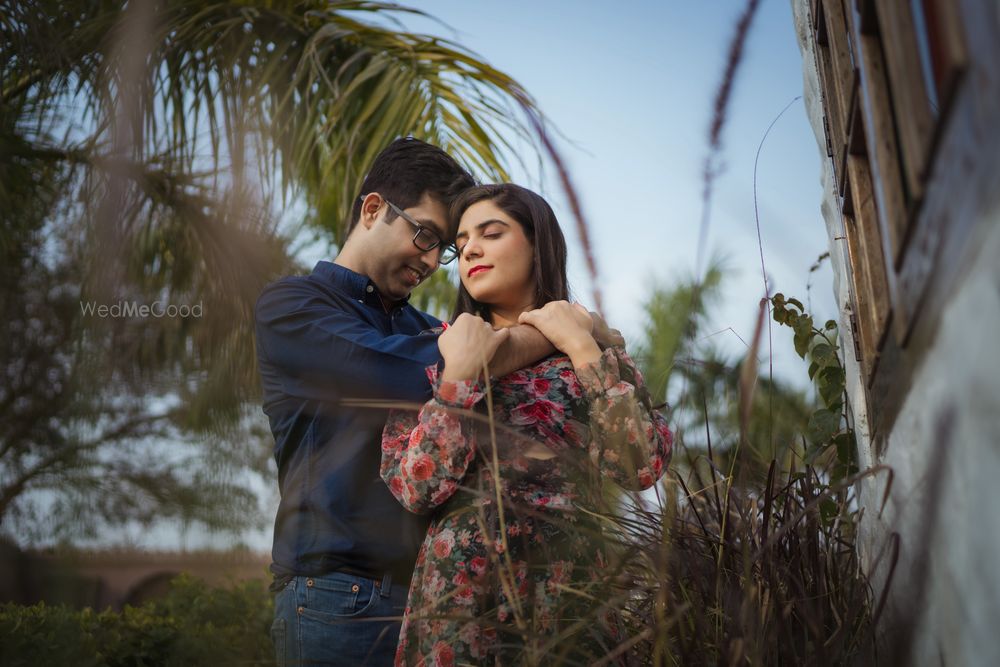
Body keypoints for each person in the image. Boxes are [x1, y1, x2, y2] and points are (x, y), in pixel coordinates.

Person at [255, 140, 567, 666]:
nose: (430, 260)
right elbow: (394, 373)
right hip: (337, 596)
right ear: (373, 209)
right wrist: (559, 329)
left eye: (442, 247)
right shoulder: (293, 308)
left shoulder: (431, 330)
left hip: (439, 599)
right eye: (424, 234)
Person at [380, 183, 673, 665]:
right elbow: (417, 488)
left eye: (491, 233)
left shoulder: (597, 353)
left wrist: (581, 348)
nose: (470, 248)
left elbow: (640, 466)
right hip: (463, 593)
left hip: (574, 590)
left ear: (538, 244)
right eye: (462, 242)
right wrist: (459, 378)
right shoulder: (432, 352)